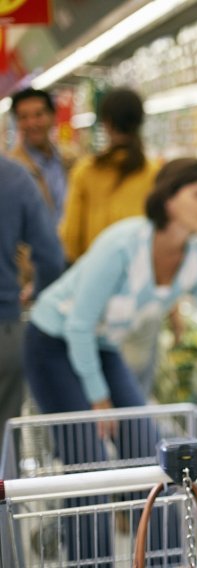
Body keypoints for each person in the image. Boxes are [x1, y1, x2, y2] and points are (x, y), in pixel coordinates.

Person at [23, 157, 197, 562]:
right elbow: (79, 324)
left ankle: (163, 560)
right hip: (52, 343)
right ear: (169, 199)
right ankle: (91, 559)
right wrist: (99, 399)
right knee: (89, 466)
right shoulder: (123, 244)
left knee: (155, 454)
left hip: (100, 346)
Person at [59, 87, 164, 394]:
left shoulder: (86, 172)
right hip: (142, 297)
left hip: (95, 295)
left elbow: (71, 239)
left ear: (105, 123)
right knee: (136, 392)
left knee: (95, 387)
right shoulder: (153, 173)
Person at [0, 155, 64, 437]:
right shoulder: (14, 177)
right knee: (4, 447)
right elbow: (50, 256)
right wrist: (35, 291)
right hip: (4, 327)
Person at [10, 87, 76, 223]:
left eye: (38, 115)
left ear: (52, 117)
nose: (31, 123)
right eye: (23, 117)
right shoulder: (11, 170)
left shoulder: (72, 159)